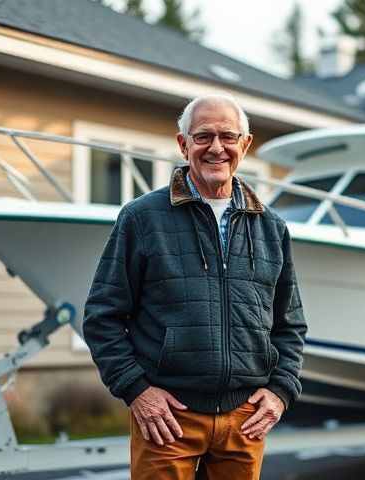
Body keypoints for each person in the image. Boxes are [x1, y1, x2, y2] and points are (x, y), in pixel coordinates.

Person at [83, 93, 307, 480]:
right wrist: (137, 391)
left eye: (228, 137)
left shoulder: (272, 227)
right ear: (183, 144)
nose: (216, 148)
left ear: (245, 145)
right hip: (167, 419)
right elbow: (102, 317)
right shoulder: (141, 218)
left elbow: (289, 325)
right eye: (203, 137)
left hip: (245, 420)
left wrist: (281, 391)